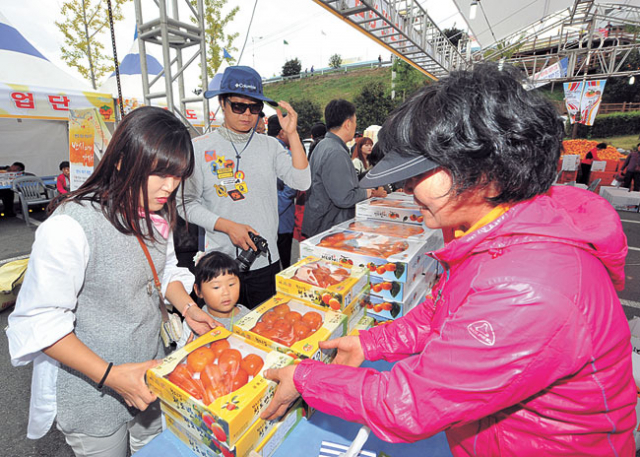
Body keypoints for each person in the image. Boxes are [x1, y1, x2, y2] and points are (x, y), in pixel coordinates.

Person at [261, 64, 636, 456]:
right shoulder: (498, 233)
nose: (405, 186)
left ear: (485, 171)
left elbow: (410, 404)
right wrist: (371, 343)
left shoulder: (527, 288)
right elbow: (443, 309)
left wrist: (308, 379)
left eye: (418, 171)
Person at [6, 106, 220, 456]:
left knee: (154, 449)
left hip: (150, 371)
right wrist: (110, 376)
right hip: (91, 390)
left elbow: (163, 271)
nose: (171, 186)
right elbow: (40, 322)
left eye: (178, 175)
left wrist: (187, 307)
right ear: (121, 160)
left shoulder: (155, 210)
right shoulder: (70, 226)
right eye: (161, 173)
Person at [178, 66, 310, 309]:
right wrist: (228, 227)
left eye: (255, 108)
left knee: (266, 331)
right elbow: (185, 204)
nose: (247, 114)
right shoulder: (198, 147)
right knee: (223, 339)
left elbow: (302, 182)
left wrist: (292, 134)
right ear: (223, 103)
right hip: (220, 268)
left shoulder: (271, 146)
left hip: (265, 263)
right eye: (239, 106)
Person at [302, 99, 386, 238]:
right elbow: (344, 198)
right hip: (330, 227)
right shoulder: (336, 152)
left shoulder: (324, 145)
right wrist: (369, 192)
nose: (355, 125)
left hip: (321, 223)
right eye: (355, 121)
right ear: (347, 124)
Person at [177, 251, 250, 346]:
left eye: (231, 284)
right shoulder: (192, 322)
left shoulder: (249, 317)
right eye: (216, 287)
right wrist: (186, 352)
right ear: (198, 290)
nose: (226, 292)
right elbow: (180, 353)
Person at [267, 114, 297, 269]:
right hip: (282, 218)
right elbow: (292, 186)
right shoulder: (284, 154)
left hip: (268, 217)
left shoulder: (264, 150)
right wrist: (277, 204)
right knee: (284, 263)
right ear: (282, 132)